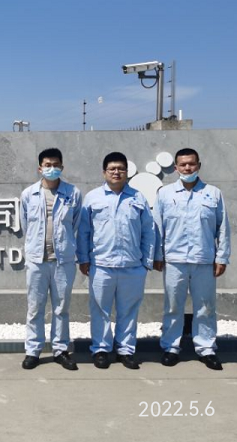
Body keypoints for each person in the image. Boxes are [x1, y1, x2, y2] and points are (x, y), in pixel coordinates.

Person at [153, 148, 231, 370]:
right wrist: (157, 255)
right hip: (174, 260)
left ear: (199, 165)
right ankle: (171, 347)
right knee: (172, 306)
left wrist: (222, 257)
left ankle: (206, 349)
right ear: (176, 167)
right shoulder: (165, 194)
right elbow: (157, 227)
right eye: (183, 164)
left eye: (191, 164)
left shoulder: (213, 193)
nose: (187, 168)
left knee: (206, 307)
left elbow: (223, 227)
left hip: (204, 260)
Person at [78, 152, 156, 370]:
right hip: (101, 265)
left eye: (121, 168)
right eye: (112, 168)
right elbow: (84, 231)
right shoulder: (93, 198)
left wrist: (147, 262)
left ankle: (125, 350)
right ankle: (101, 349)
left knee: (129, 310)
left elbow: (149, 231)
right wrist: (83, 258)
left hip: (132, 265)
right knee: (100, 310)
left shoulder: (138, 198)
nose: (116, 172)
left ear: (127, 172)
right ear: (104, 172)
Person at [20, 148, 83, 370]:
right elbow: (25, 224)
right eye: (47, 165)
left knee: (61, 308)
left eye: (56, 165)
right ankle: (33, 351)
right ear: (40, 168)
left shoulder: (72, 193)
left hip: (62, 261)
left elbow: (75, 224)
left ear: (62, 167)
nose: (52, 168)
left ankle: (60, 350)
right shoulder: (29, 194)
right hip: (37, 261)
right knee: (35, 307)